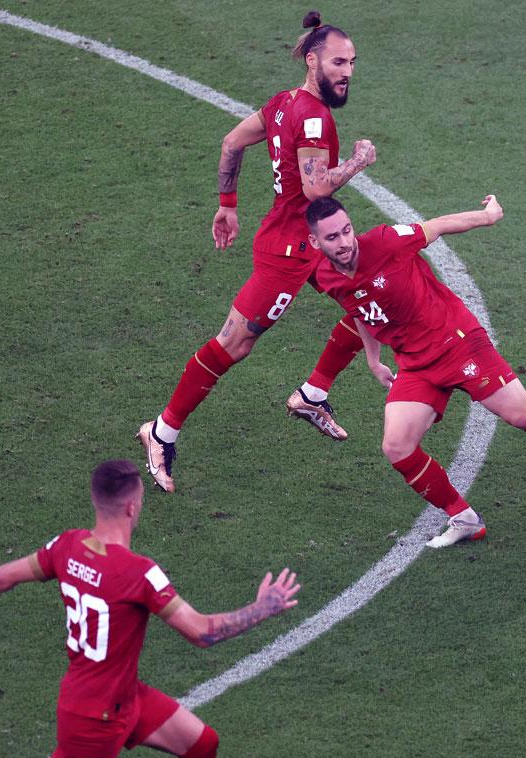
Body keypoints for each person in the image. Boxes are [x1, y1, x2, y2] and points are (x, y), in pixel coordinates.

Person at [0, 459, 301, 758]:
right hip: (92, 724)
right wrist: (262, 608)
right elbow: (201, 632)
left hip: (122, 698)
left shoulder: (67, 547)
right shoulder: (138, 573)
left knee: (201, 746)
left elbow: (4, 576)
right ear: (133, 506)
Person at [305, 194, 526, 547]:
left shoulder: (386, 242)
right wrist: (373, 359)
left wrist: (488, 216)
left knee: (523, 415)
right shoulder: (326, 276)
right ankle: (462, 517)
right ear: (315, 242)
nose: (344, 243)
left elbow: (437, 226)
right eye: (332, 238)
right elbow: (360, 310)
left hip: (457, 341)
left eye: (346, 231)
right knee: (396, 446)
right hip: (415, 363)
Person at [138, 11, 377, 492]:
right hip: (288, 251)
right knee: (235, 344)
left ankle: (312, 394)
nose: (347, 71)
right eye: (338, 62)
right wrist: (358, 161)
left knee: (371, 301)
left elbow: (231, 143)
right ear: (313, 61)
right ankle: (160, 432)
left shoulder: (283, 103)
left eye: (352, 62)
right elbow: (314, 189)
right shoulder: (311, 117)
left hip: (314, 242)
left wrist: (228, 205)